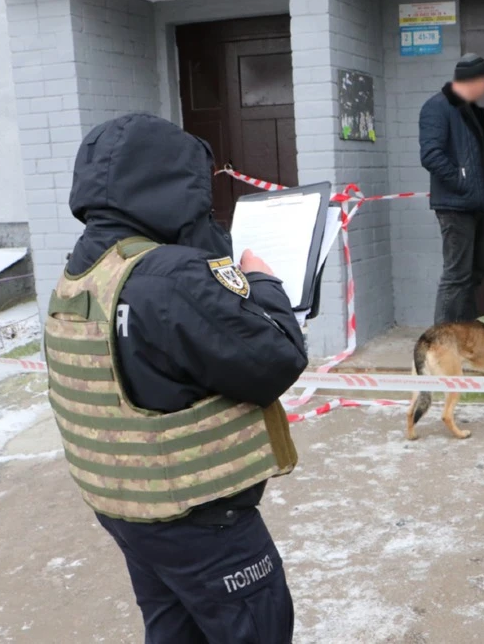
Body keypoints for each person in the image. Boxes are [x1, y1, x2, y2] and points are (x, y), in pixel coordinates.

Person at [44, 113, 308, 643]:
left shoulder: (86, 269)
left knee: (174, 629)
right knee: (257, 627)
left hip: (130, 509)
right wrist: (263, 281)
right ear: (171, 183)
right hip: (202, 516)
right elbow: (276, 358)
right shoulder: (171, 276)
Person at [419, 53, 484, 324]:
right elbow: (430, 155)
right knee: (456, 276)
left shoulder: (467, 109)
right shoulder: (437, 106)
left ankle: (466, 333)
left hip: (474, 204)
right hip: (455, 206)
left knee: (475, 273)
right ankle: (441, 342)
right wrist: (463, 182)